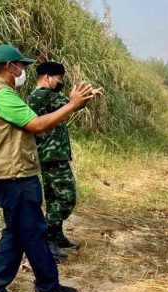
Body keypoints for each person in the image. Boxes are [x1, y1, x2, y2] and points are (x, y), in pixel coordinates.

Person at [0, 44, 95, 292]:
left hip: (4, 174)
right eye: (22, 66)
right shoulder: (4, 95)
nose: (24, 71)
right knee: (34, 232)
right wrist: (73, 104)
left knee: (16, 231)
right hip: (15, 175)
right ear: (10, 67)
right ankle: (48, 288)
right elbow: (37, 124)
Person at [28, 61, 104, 260]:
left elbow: (72, 104)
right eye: (59, 79)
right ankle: (48, 239)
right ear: (46, 77)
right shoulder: (42, 95)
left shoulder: (47, 95)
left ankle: (56, 235)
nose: (61, 83)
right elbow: (71, 105)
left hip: (53, 155)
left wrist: (87, 96)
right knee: (65, 198)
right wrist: (85, 96)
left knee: (54, 197)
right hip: (50, 156)